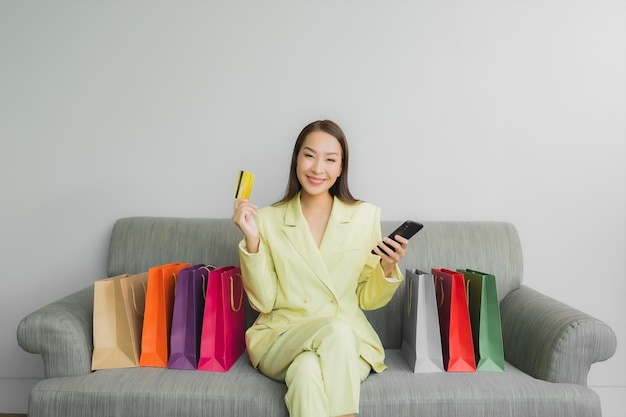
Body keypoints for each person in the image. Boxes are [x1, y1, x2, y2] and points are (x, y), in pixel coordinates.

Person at [232, 120, 409, 417]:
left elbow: (368, 300)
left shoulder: (364, 216)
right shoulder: (267, 220)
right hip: (283, 336)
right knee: (337, 332)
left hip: (347, 341)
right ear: (296, 160)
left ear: (341, 168)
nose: (318, 168)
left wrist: (387, 267)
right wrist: (252, 241)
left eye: (330, 160)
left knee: (305, 371)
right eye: (309, 155)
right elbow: (263, 301)